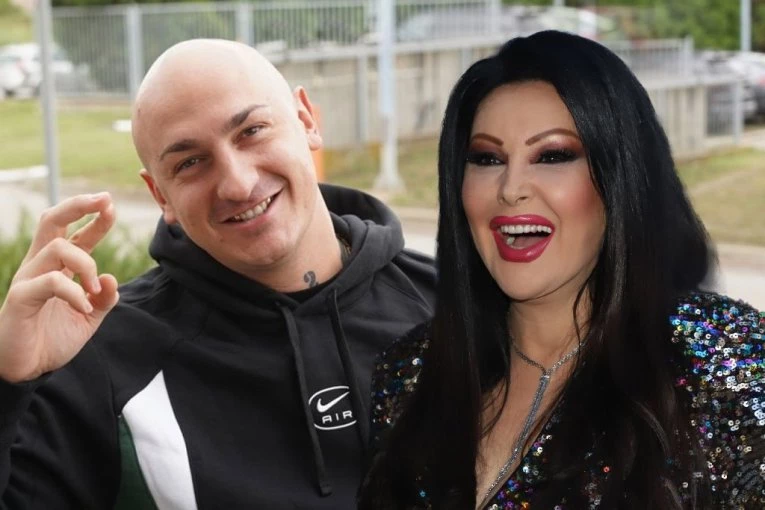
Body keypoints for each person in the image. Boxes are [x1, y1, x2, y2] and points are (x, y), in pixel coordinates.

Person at [0, 39, 436, 509]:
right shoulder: (104, 358)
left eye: (252, 131)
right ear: (160, 195)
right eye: (190, 162)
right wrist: (7, 380)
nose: (237, 184)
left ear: (306, 121)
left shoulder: (455, 304)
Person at [358, 30, 765, 510]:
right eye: (487, 158)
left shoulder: (725, 358)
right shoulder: (408, 373)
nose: (511, 188)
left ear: (619, 177)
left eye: (552, 155)